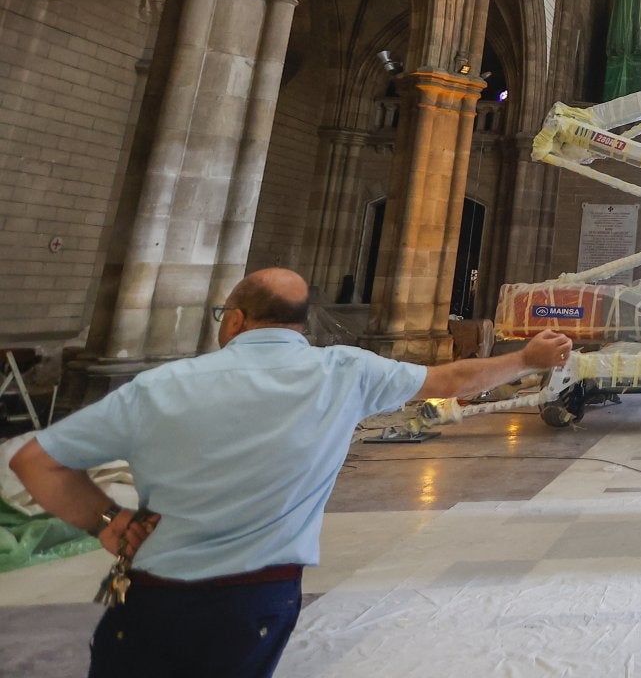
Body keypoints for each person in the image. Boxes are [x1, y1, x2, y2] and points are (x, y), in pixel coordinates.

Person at [8, 267, 573, 678]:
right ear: (302, 325)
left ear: (233, 319)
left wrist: (109, 520)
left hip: (156, 594)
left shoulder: (163, 385)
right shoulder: (344, 373)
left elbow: (34, 461)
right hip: (259, 596)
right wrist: (526, 358)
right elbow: (451, 381)